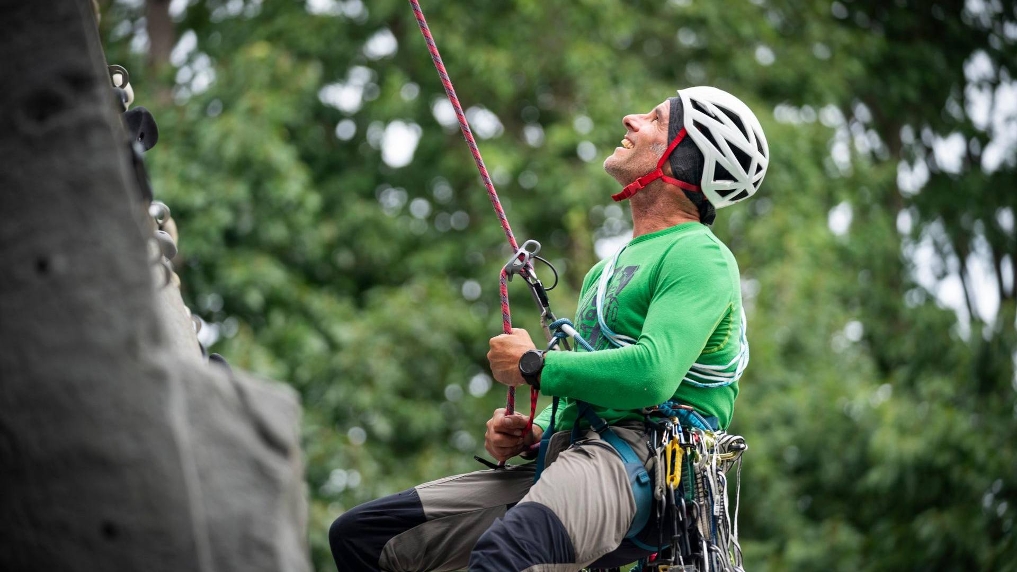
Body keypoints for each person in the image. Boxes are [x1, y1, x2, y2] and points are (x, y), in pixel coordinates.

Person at [329, 86, 769, 572]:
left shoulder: (699, 255)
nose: (630, 119)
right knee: (364, 538)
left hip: (645, 459)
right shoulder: (606, 270)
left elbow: (653, 374)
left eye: (655, 119)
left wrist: (535, 366)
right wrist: (533, 433)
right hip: (574, 450)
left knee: (506, 557)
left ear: (685, 159)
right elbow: (589, 391)